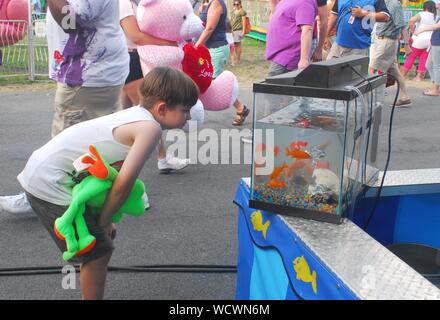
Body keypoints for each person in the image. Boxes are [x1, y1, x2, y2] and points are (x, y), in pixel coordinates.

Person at [17, 67, 198, 300]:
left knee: (97, 244)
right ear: (162, 108)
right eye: (186, 110)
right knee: (97, 251)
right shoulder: (149, 129)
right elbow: (122, 184)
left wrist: (108, 219)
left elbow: (110, 174)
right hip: (48, 183)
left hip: (49, 172)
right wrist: (102, 221)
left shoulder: (137, 116)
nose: (189, 117)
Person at [0, 0, 129, 214]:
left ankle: (44, 198)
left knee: (64, 144)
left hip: (88, 74)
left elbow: (72, 22)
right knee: (102, 141)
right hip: (95, 71)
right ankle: (123, 192)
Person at [119, 0, 190, 173]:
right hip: (131, 58)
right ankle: (163, 157)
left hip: (135, 58)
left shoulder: (138, 3)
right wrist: (168, 43)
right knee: (147, 114)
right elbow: (135, 35)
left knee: (122, 114)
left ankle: (118, 157)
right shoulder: (123, 3)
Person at [196, 0, 249, 126]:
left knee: (213, 86)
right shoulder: (207, 3)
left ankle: (241, 108)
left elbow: (209, 29)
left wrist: (196, 46)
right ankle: (241, 108)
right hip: (208, 49)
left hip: (216, 49)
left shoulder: (216, 3)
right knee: (202, 81)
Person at [369, 0, 412, 107]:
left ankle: (375, 100)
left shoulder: (394, 4)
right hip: (382, 40)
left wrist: (406, 44)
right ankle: (404, 97)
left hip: (387, 41)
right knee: (395, 71)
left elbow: (401, 26)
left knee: (372, 70)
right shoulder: (384, 2)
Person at [266, 0, 318, 76]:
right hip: (280, 56)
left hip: (287, 58)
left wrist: (304, 59)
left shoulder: (305, 3)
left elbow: (307, 29)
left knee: (272, 86)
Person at [402, 0, 437, 81]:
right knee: (424, 58)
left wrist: (411, 30)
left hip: (418, 39)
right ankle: (418, 77)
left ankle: (403, 75)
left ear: (425, 7)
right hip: (430, 41)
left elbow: (411, 20)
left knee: (411, 57)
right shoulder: (436, 16)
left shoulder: (422, 14)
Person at [415, 2, 440, 96]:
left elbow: (437, 26)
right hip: (435, 41)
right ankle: (436, 85)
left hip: (438, 43)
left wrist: (422, 29)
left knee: (436, 66)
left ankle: (435, 89)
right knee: (429, 64)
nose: (437, 5)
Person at [230, 0, 247, 66]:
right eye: (234, 4)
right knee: (232, 45)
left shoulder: (242, 12)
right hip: (232, 30)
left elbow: (244, 22)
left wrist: (243, 31)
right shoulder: (233, 11)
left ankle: (238, 59)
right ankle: (234, 59)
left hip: (238, 30)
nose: (236, 6)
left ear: (240, 4)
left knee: (237, 45)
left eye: (237, 4)